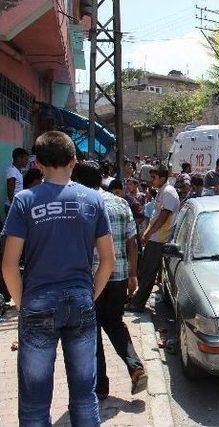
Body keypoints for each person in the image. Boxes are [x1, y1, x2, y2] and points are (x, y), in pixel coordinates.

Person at [1, 131, 114, 425]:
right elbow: (108, 260)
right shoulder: (93, 199)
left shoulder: (24, 201)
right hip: (81, 299)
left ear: (37, 163)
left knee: (35, 402)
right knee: (84, 395)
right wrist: (91, 295)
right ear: (74, 160)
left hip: (38, 301)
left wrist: (21, 302)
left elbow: (9, 265)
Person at [72, 161, 147, 400]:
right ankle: (135, 366)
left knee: (91, 330)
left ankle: (101, 387)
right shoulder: (120, 202)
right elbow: (132, 243)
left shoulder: (78, 204)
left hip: (90, 279)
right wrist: (133, 274)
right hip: (118, 276)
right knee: (114, 323)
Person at [127, 165, 180, 312]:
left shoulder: (168, 192)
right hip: (155, 237)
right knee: (145, 271)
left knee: (148, 273)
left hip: (159, 239)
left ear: (162, 178)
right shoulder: (162, 191)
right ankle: (137, 300)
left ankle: (137, 304)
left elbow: (163, 217)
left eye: (154, 177)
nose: (152, 180)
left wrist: (149, 232)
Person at [5, 147, 29, 215]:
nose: (27, 162)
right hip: (12, 207)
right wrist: (16, 207)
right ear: (19, 158)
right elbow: (10, 192)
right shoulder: (12, 171)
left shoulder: (18, 171)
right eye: (26, 159)